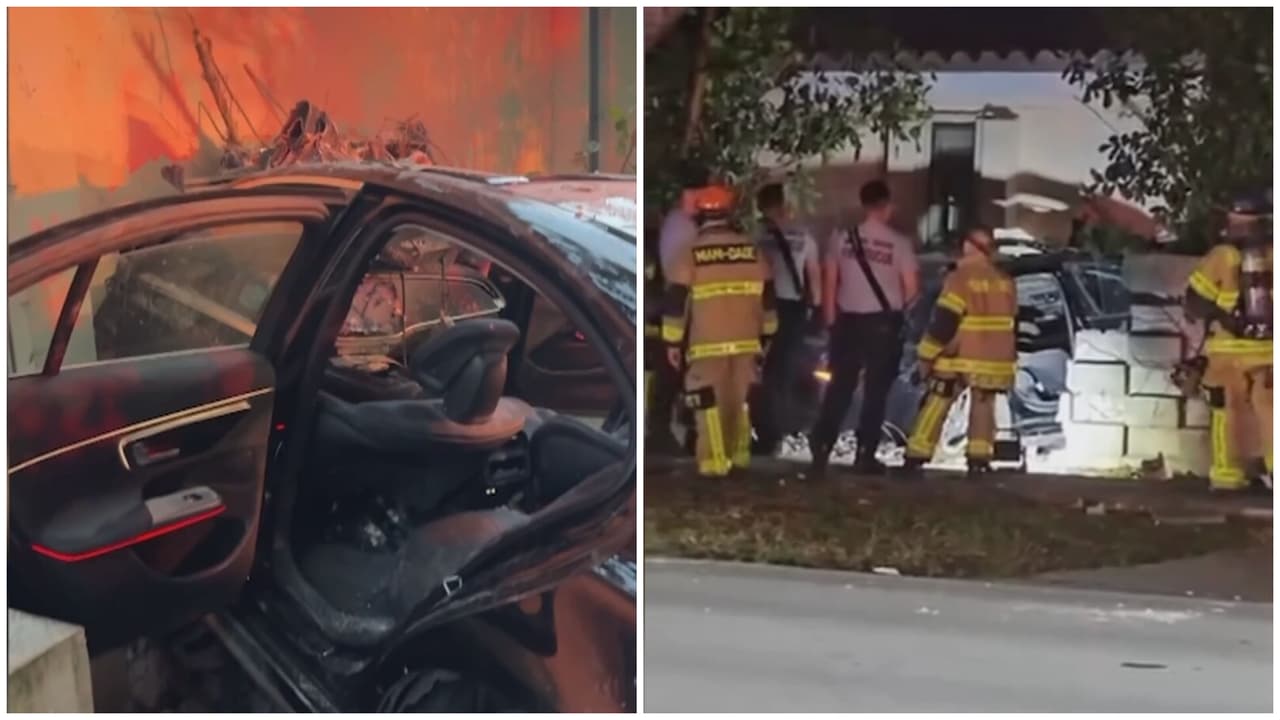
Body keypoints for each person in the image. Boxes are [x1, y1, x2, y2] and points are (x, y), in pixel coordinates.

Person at [663, 184, 778, 477]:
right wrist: (766, 339)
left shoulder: (689, 254)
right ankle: (739, 458)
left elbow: (676, 304)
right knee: (739, 400)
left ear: (700, 217)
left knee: (707, 403)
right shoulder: (752, 251)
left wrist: (672, 343)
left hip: (707, 344)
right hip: (747, 343)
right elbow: (768, 301)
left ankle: (713, 466)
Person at [809, 180, 919, 474]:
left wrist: (832, 322)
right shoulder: (899, 244)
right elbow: (911, 290)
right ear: (887, 206)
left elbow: (830, 282)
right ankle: (865, 453)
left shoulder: (842, 239)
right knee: (876, 392)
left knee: (839, 389)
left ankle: (821, 447)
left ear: (864, 205)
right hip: (883, 325)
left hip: (847, 323)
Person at [900, 225, 1017, 478]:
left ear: (968, 247)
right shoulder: (1005, 281)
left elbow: (944, 323)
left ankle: (915, 458)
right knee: (983, 405)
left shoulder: (960, 278)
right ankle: (978, 462)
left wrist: (926, 355)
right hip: (996, 359)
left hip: (959, 354)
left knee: (938, 400)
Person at [1184, 191, 1273, 492]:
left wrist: (1221, 313)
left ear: (1234, 218)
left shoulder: (1223, 256)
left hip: (1227, 355)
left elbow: (1194, 305)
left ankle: (1227, 477)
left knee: (1225, 412)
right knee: (1271, 412)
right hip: (1271, 353)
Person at [750, 182, 822, 455]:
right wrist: (816, 314)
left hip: (759, 308)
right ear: (784, 205)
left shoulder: (754, 237)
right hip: (792, 311)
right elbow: (814, 278)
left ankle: (765, 432)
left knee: (759, 372)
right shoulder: (804, 236)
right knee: (783, 373)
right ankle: (777, 432)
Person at [650, 164, 711, 453]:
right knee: (674, 375)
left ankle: (672, 432)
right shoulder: (682, 227)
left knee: (677, 376)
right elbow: (679, 281)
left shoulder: (681, 224)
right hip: (682, 311)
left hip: (683, 310)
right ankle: (664, 433)